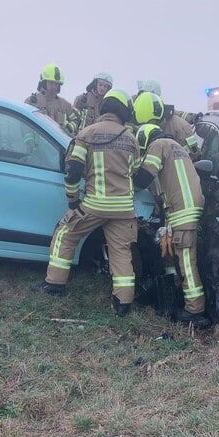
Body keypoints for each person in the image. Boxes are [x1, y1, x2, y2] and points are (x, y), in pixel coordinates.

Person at [36, 89, 140, 317]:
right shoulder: (130, 138)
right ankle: (122, 303)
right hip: (124, 209)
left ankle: (54, 284)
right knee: (121, 253)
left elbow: (72, 171)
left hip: (94, 205)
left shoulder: (87, 133)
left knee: (65, 233)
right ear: (124, 112)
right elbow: (134, 170)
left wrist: (73, 202)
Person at [133, 123, 210, 327]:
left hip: (182, 210)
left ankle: (195, 311)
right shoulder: (176, 147)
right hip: (186, 208)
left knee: (186, 260)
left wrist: (129, 179)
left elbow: (144, 177)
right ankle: (175, 292)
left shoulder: (157, 145)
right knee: (171, 255)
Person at [133, 92, 201, 157]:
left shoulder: (182, 129)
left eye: (149, 123)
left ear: (158, 117)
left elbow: (192, 158)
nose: (146, 128)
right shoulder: (139, 128)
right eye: (142, 125)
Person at [25, 64, 74, 134]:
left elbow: (77, 119)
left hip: (58, 143)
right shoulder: (31, 102)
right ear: (44, 82)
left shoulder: (65, 105)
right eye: (51, 83)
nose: (54, 86)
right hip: (38, 143)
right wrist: (30, 141)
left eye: (56, 84)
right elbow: (26, 126)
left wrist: (69, 128)